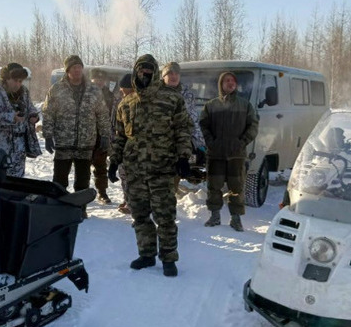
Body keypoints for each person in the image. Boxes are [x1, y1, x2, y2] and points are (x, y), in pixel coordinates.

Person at [108, 55, 191, 277]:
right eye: (140, 71)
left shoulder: (172, 99)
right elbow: (120, 136)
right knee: (140, 215)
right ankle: (146, 254)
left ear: (155, 72)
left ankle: (168, 258)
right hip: (135, 170)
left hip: (162, 169)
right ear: (135, 73)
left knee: (164, 216)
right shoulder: (126, 103)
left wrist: (183, 157)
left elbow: (183, 129)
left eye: (148, 70)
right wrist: (114, 160)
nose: (144, 74)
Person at [43, 55, 110, 199]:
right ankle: (59, 206)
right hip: (63, 142)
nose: (77, 70)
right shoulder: (57, 89)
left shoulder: (93, 90)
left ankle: (80, 208)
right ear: (67, 70)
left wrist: (105, 134)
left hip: (86, 143)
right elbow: (48, 113)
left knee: (82, 180)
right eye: (74, 67)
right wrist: (48, 135)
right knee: (60, 180)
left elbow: (102, 114)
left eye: (79, 67)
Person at [199, 71, 259, 231]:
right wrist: (211, 142)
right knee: (214, 186)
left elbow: (253, 126)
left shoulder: (245, 105)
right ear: (221, 84)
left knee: (237, 187)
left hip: (236, 155)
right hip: (216, 154)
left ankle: (236, 218)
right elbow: (203, 125)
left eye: (232, 80)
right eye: (226, 80)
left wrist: (242, 142)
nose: (230, 83)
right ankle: (214, 216)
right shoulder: (211, 105)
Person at [0, 62, 41, 177]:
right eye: (15, 80)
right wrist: (11, 117)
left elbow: (30, 107)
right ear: (6, 79)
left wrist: (33, 116)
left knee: (18, 182)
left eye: (20, 81)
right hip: (0, 145)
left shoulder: (24, 92)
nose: (18, 84)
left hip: (19, 146)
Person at [160, 61, 205, 193]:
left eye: (176, 73)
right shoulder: (155, 92)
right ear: (163, 76)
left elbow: (192, 119)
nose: (174, 76)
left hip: (178, 141)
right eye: (170, 73)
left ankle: (170, 195)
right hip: (157, 142)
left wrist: (199, 143)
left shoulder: (187, 94)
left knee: (174, 172)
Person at [90, 68, 115, 204]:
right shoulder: (85, 93)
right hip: (86, 135)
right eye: (96, 79)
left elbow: (113, 115)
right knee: (82, 167)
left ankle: (102, 192)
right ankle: (81, 193)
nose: (99, 82)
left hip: (102, 136)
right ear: (91, 79)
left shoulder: (110, 95)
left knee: (100, 166)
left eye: (102, 79)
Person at [115, 72, 134, 214]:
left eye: (123, 87)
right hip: (123, 146)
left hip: (133, 150)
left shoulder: (136, 104)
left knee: (130, 177)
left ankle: (132, 203)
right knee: (124, 175)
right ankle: (128, 200)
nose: (121, 90)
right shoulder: (122, 102)